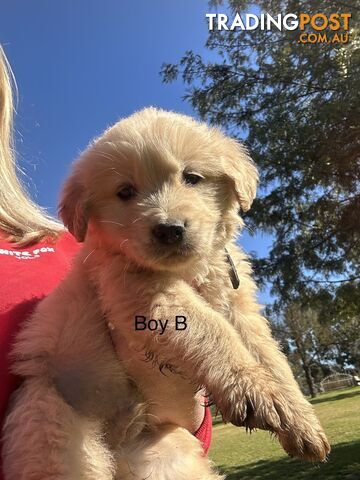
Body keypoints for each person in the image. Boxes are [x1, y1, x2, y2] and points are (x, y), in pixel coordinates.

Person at [0, 46, 211, 478]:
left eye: (190, 178)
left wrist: (185, 385)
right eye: (126, 193)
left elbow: (183, 423)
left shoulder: (88, 246)